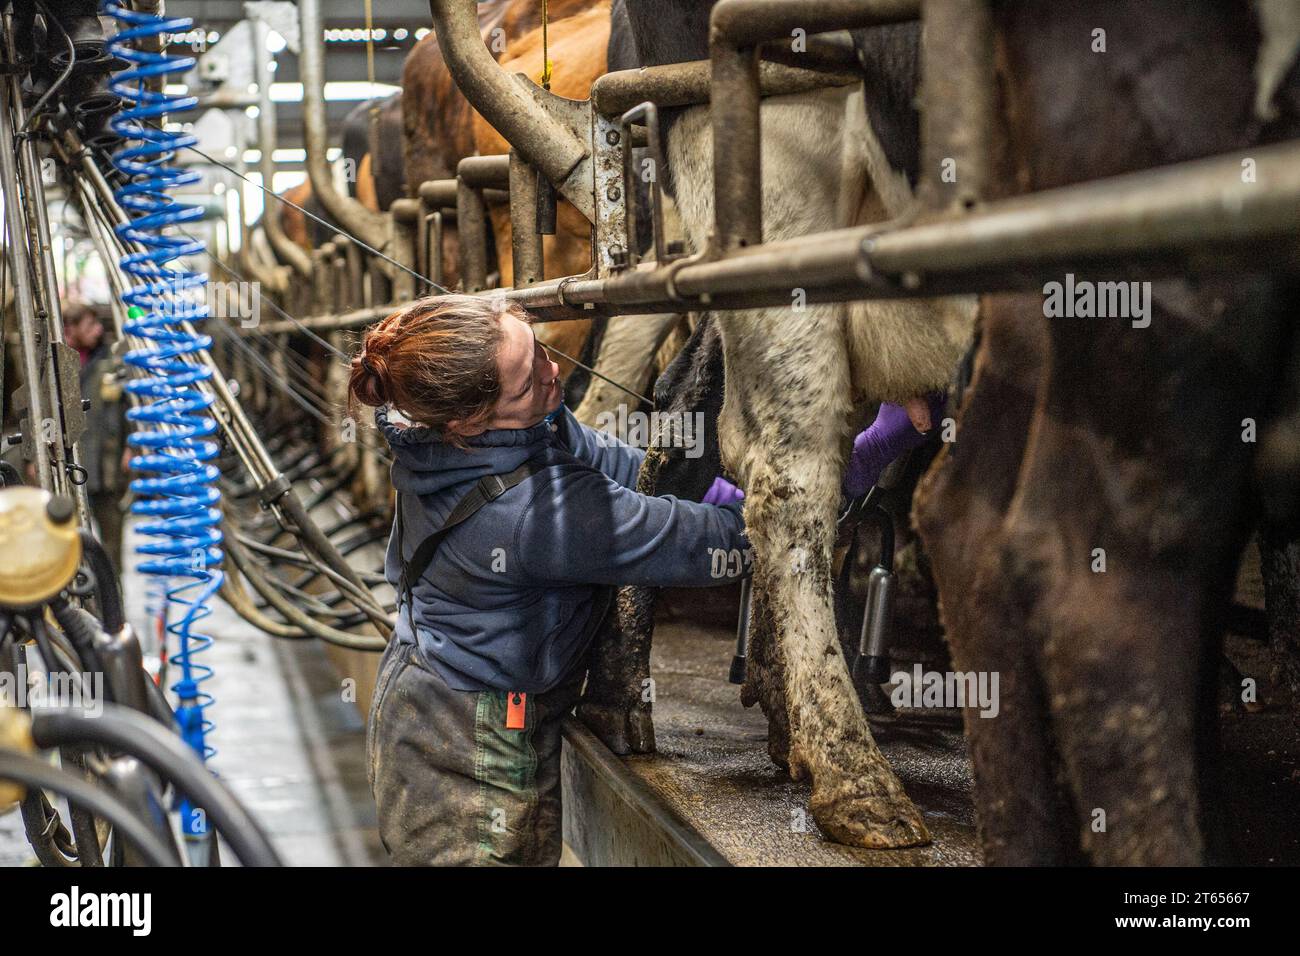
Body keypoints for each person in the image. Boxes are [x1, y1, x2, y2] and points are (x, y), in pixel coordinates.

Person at [350, 295, 937, 866]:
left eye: (542, 352)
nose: (555, 376)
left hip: (439, 688)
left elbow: (647, 479)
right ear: (468, 420)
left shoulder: (471, 430)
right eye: (529, 381)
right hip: (467, 739)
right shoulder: (537, 518)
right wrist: (864, 456)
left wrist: (735, 480)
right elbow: (720, 542)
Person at [62, 301, 129, 572]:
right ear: (70, 330)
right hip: (72, 471)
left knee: (112, 550)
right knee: (74, 546)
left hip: (108, 469)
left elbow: (130, 408)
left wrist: (132, 447)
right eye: (90, 325)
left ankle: (115, 609)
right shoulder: (59, 366)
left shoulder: (111, 363)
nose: (98, 330)